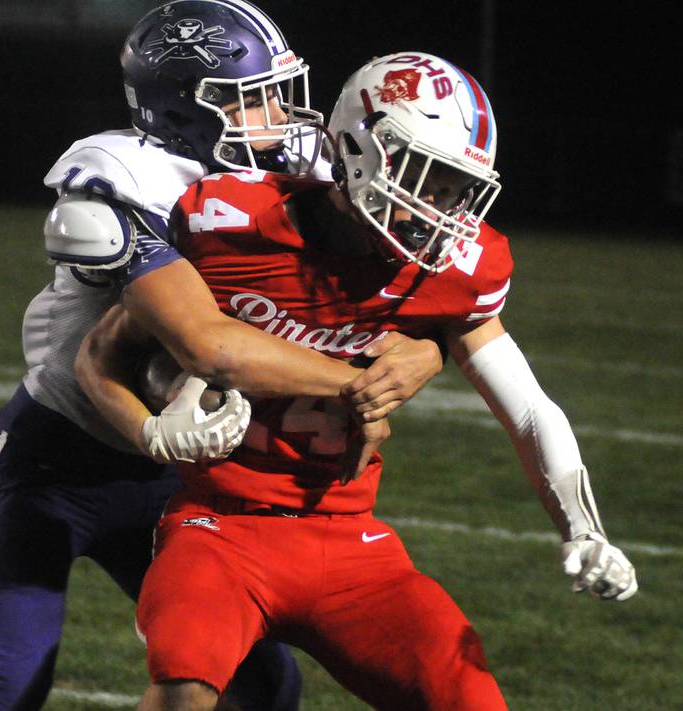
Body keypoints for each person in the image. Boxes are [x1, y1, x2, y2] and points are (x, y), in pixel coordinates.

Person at [0, 5, 443, 711]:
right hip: (57, 455)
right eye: (255, 99)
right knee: (7, 688)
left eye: (279, 92)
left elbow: (417, 285)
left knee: (263, 683)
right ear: (189, 109)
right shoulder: (125, 179)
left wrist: (425, 346)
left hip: (177, 473)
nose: (281, 116)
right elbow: (203, 343)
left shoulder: (293, 172)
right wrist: (361, 384)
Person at [77, 51, 639, 711]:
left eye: (457, 188)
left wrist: (583, 526)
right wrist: (150, 425)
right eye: (429, 179)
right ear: (357, 148)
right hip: (219, 527)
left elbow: (530, 411)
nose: (442, 209)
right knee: (183, 684)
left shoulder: (455, 271)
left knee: (469, 693)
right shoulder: (225, 224)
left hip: (349, 541)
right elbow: (105, 355)